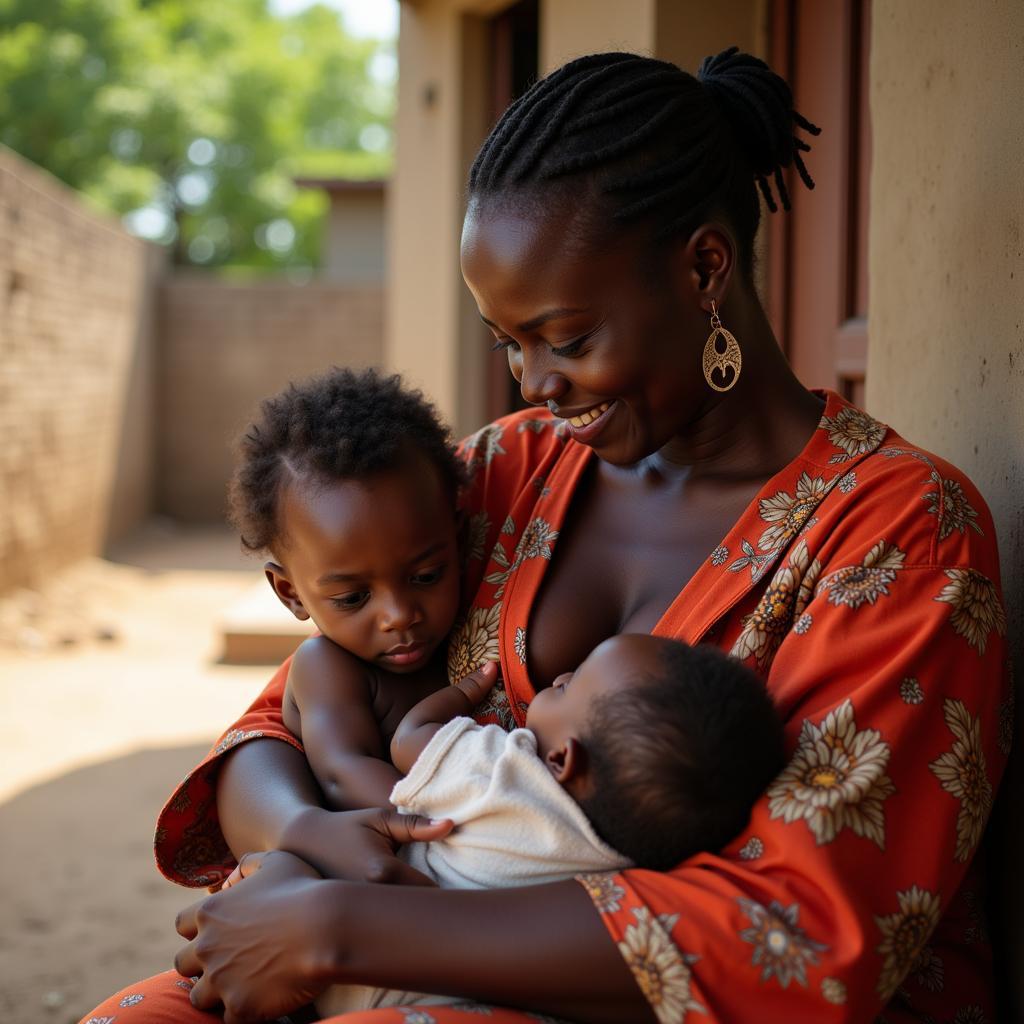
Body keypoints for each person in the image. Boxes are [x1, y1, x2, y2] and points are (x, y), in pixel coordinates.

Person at [80, 47, 1009, 1024]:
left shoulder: (898, 531)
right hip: (393, 954)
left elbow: (801, 933)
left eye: (565, 338)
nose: (534, 382)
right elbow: (287, 717)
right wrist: (307, 838)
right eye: (508, 342)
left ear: (703, 268)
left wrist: (337, 924)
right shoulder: (504, 474)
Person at [273, 633, 781, 1016]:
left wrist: (465, 692)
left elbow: (410, 738)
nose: (557, 679)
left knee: (275, 866)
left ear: (562, 760)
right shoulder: (633, 856)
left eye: (571, 685)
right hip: (479, 1002)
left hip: (368, 964)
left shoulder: (506, 772)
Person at [225, 366, 467, 813]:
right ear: (291, 593)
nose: (399, 614)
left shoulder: (473, 631)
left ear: (459, 537)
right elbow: (343, 772)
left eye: (427, 575)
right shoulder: (326, 667)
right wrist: (470, 818)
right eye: (353, 598)